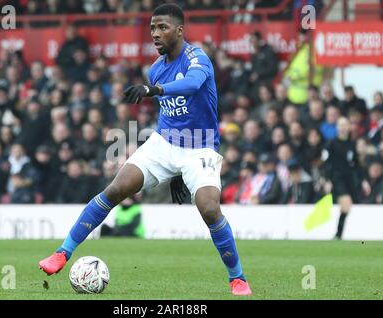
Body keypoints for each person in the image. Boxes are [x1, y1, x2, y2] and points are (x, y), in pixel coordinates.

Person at [39, 3, 252, 296]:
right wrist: (173, 170)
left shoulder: (197, 58)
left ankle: (237, 279)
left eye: (162, 27)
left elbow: (191, 86)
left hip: (200, 146)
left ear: (179, 30)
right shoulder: (156, 69)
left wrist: (156, 90)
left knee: (209, 208)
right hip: (164, 143)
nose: (155, 33)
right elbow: (172, 114)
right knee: (115, 189)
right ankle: (62, 253)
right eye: (152, 28)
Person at [323, 117, 371, 239]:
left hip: (349, 179)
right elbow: (326, 163)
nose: (343, 127)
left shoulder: (352, 144)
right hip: (336, 179)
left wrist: (364, 180)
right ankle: (338, 234)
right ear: (337, 128)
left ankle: (338, 234)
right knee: (346, 203)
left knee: (346, 207)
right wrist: (327, 179)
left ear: (349, 127)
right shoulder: (331, 144)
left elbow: (356, 164)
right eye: (341, 125)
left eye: (345, 125)